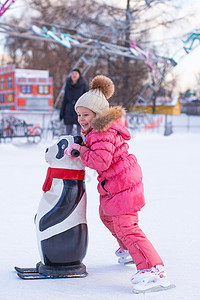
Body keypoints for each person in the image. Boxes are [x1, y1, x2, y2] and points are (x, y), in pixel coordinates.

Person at [64, 75, 175, 293]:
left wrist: (82, 151)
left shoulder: (101, 132)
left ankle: (153, 269)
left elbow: (101, 161)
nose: (81, 119)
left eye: (86, 115)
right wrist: (84, 145)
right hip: (115, 184)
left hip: (122, 184)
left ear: (98, 114)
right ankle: (128, 249)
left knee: (127, 227)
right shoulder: (95, 133)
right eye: (79, 115)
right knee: (107, 216)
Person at [59, 68, 89, 135]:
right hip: (69, 110)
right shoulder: (68, 84)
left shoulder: (83, 84)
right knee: (68, 133)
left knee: (80, 133)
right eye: (73, 73)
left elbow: (87, 98)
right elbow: (65, 99)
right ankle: (70, 145)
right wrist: (62, 112)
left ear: (79, 75)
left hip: (80, 110)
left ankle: (80, 144)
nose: (74, 75)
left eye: (76, 73)